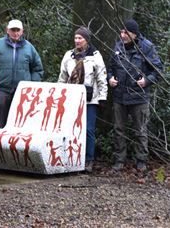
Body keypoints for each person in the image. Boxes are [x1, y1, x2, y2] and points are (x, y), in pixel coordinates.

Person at [107, 19, 163, 172]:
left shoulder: (147, 47)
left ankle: (141, 161)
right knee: (119, 129)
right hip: (120, 96)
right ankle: (119, 160)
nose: (123, 35)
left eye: (127, 33)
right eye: (122, 32)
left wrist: (146, 81)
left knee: (140, 130)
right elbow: (110, 68)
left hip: (139, 97)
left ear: (135, 34)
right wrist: (110, 78)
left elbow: (157, 70)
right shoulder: (118, 46)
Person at [58, 27, 107, 173]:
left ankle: (88, 160)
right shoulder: (69, 55)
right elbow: (62, 77)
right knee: (70, 129)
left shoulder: (95, 56)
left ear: (86, 40)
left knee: (88, 130)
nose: (77, 41)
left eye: (80, 38)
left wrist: (102, 97)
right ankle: (70, 158)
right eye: (76, 38)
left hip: (89, 99)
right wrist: (59, 94)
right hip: (71, 98)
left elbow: (101, 78)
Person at [0, 19, 44, 127]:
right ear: (7, 30)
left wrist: (31, 85)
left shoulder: (29, 48)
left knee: (21, 121)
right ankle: (0, 143)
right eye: (13, 30)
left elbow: (37, 69)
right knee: (1, 120)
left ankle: (17, 143)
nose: (15, 33)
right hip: (2, 89)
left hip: (23, 91)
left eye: (17, 30)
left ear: (22, 31)